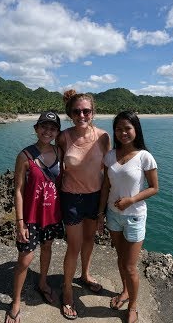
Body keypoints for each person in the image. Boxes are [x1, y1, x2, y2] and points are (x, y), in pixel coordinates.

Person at [98, 111, 159, 323]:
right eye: (119, 129)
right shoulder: (110, 156)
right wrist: (100, 215)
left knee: (131, 266)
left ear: (136, 130)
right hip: (113, 216)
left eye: (127, 128)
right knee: (121, 259)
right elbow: (105, 186)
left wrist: (131, 200)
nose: (123, 132)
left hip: (134, 216)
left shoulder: (145, 156)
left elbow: (154, 188)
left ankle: (133, 306)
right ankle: (125, 291)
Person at [5, 111, 64, 323]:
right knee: (25, 259)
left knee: (47, 248)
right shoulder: (24, 156)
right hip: (30, 217)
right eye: (44, 127)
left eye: (53, 128)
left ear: (57, 132)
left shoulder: (60, 152)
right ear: (36, 129)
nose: (48, 131)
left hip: (51, 215)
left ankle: (42, 283)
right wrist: (19, 222)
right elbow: (18, 190)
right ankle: (16, 301)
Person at [57, 89, 111, 320]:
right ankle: (67, 289)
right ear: (70, 113)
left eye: (86, 111)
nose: (82, 115)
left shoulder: (103, 136)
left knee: (90, 240)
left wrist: (105, 206)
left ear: (93, 112)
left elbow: (108, 171)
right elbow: (55, 168)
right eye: (77, 111)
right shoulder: (64, 137)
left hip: (95, 196)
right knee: (74, 246)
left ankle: (85, 275)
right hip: (71, 198)